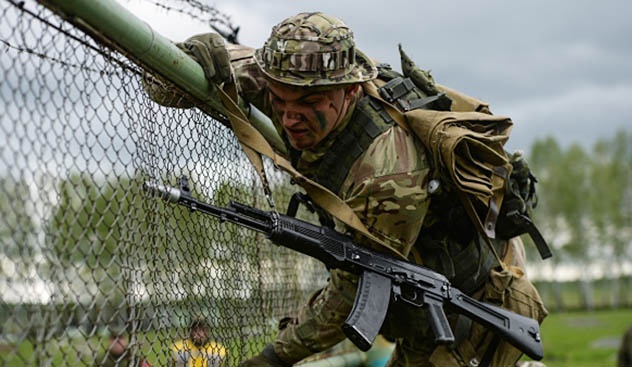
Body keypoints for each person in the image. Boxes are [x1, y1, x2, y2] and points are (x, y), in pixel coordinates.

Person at [145, 12, 548, 367]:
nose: (289, 117)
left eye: (309, 103)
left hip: (472, 317)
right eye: (278, 99)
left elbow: (350, 297)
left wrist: (271, 358)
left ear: (351, 90)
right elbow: (165, 80)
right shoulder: (286, 73)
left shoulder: (388, 174)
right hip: (423, 305)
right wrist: (194, 57)